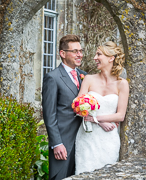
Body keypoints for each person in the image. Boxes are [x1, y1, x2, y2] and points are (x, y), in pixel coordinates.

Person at [75, 41, 129, 174]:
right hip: (87, 137)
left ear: (111, 58)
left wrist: (95, 119)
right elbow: (77, 108)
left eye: (99, 54)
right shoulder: (88, 79)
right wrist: (100, 121)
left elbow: (120, 115)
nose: (95, 58)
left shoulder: (122, 84)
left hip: (108, 139)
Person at [42, 34, 87, 180]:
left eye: (80, 51)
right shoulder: (53, 77)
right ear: (63, 53)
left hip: (84, 140)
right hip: (63, 143)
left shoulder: (85, 76)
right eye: (75, 51)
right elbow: (49, 114)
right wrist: (57, 144)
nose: (79, 55)